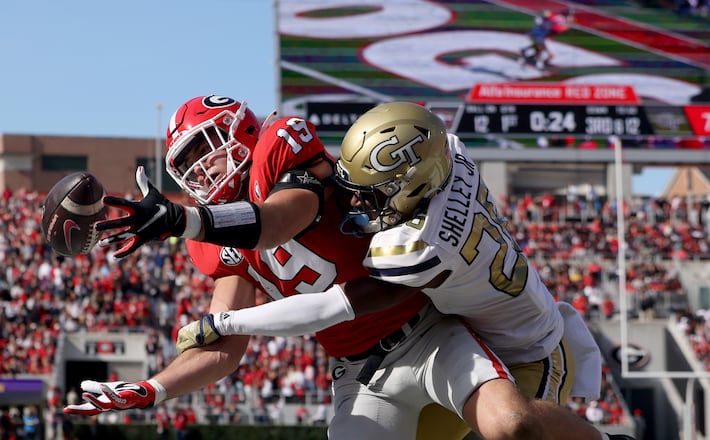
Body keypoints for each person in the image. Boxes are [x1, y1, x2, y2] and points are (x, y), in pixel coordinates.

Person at [62, 95, 537, 440]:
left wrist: (183, 221)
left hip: (426, 329)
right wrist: (153, 388)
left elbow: (273, 222)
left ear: (241, 130)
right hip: (360, 370)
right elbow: (224, 346)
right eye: (186, 163)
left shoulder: (282, 146)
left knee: (511, 426)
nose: (200, 169)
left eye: (204, 147)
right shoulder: (211, 238)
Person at [173, 102, 633, 440]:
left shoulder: (414, 248)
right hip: (480, 328)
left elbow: (328, 307)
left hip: (528, 345)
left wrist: (223, 320)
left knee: (515, 428)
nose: (354, 202)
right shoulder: (449, 154)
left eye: (369, 194)